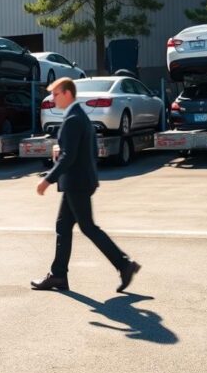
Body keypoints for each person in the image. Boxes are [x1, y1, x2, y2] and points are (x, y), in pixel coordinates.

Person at [32, 77, 141, 293]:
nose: (53, 99)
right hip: (80, 181)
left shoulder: (73, 118)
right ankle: (58, 276)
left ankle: (124, 264)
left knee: (88, 227)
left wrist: (47, 180)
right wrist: (60, 151)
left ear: (68, 94)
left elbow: (69, 157)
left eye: (56, 94)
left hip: (76, 183)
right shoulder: (79, 116)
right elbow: (81, 151)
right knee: (63, 227)